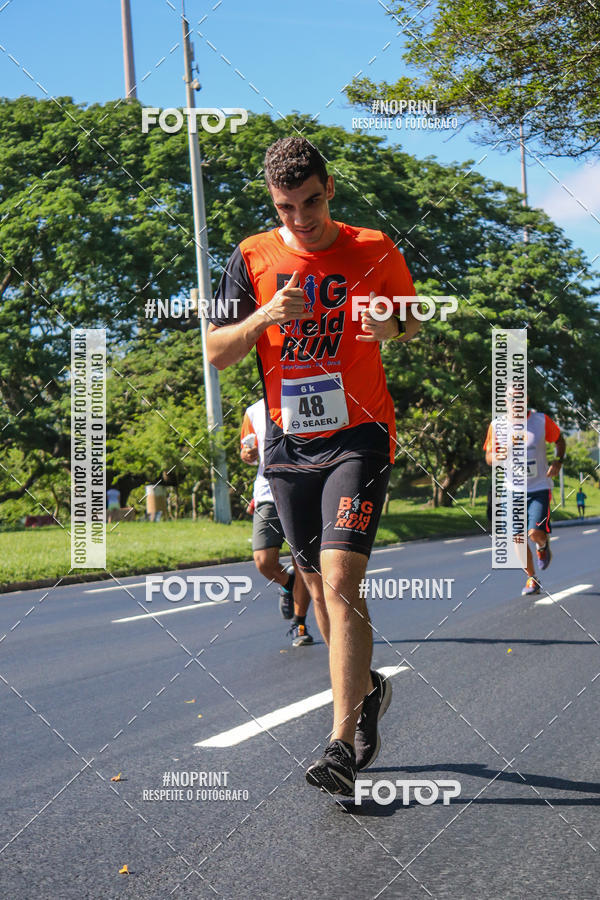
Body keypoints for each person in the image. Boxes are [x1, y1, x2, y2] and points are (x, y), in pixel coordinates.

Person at [207, 136, 421, 795]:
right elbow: (216, 352)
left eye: (309, 202)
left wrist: (390, 327)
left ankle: (339, 744)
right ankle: (366, 691)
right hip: (289, 446)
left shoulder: (374, 246)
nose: (300, 219)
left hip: (359, 434)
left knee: (337, 577)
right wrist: (266, 314)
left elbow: (411, 316)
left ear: (330, 189)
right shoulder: (251, 256)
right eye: (285, 207)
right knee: (311, 579)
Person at [241, 398, 313, 646]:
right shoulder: (253, 411)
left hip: (304, 490)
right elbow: (248, 453)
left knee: (301, 561)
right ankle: (289, 583)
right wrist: (247, 454)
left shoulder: (304, 396)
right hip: (267, 493)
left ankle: (299, 623)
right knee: (263, 561)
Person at [484, 398, 566, 595]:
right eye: (512, 399)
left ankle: (543, 545)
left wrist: (558, 462)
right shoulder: (497, 426)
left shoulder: (540, 421)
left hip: (538, 487)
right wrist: (498, 456)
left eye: (520, 398)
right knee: (517, 538)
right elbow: (488, 457)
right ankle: (532, 578)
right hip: (512, 490)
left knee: (534, 533)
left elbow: (560, 440)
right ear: (505, 401)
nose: (516, 402)